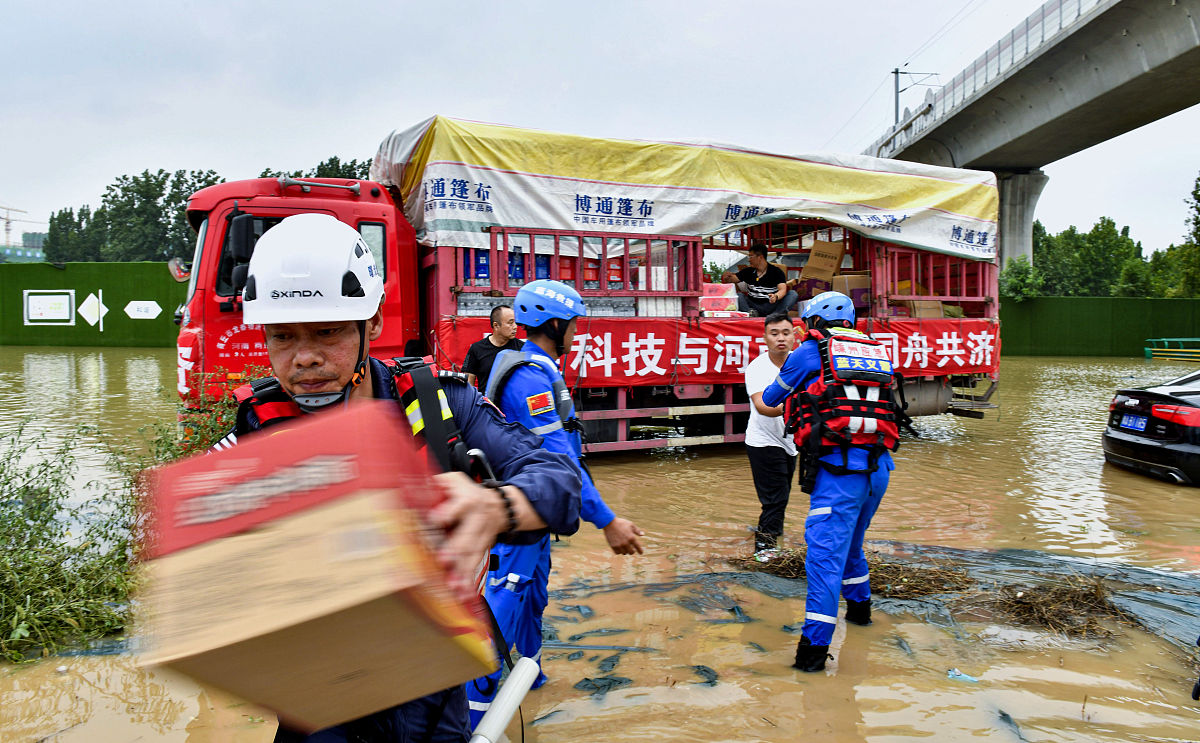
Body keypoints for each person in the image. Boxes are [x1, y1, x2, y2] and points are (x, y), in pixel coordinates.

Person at [214, 213, 582, 742]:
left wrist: (496, 507)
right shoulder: (258, 426)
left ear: (373, 322)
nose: (305, 358)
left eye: (327, 332)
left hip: (433, 691)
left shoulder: (438, 405)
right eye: (282, 336)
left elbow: (559, 480)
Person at [466, 278, 645, 727]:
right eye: (573, 324)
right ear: (554, 325)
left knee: (533, 597)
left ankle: (532, 678)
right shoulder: (528, 376)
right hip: (518, 513)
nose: (576, 333)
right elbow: (559, 462)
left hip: (538, 513)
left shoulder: (535, 367)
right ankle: (471, 715)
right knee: (504, 604)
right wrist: (607, 520)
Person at [761, 291, 901, 673]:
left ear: (815, 320)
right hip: (879, 469)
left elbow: (772, 398)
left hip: (840, 473)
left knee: (824, 562)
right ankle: (861, 617)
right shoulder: (876, 351)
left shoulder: (810, 351)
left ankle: (811, 658)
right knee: (852, 545)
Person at [744, 312, 798, 555]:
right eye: (774, 334)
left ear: (794, 336)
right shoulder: (757, 368)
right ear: (765, 338)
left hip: (791, 442)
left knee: (781, 497)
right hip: (763, 442)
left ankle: (773, 539)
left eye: (786, 333)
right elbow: (763, 407)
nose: (781, 338)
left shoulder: (799, 363)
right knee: (775, 499)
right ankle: (764, 552)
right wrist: (798, 407)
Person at [721, 242, 799, 316]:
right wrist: (727, 277)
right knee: (739, 296)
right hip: (754, 306)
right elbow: (733, 279)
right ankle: (751, 314)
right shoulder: (748, 271)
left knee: (793, 294)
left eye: (751, 256)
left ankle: (776, 315)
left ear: (760, 257)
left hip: (771, 305)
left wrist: (776, 296)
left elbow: (782, 290)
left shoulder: (776, 271)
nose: (749, 260)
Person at [462, 304, 522, 391]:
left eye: (515, 322)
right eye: (510, 323)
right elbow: (468, 384)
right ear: (496, 325)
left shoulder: (521, 348)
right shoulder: (477, 349)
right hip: (486, 399)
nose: (515, 327)